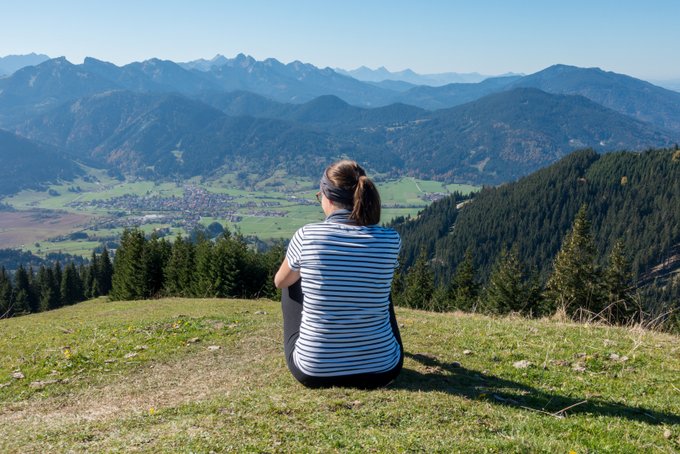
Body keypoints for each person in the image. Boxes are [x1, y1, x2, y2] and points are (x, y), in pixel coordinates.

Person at [274, 160, 403, 388]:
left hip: (315, 370)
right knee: (380, 284)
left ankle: (324, 349)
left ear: (328, 197)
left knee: (291, 281)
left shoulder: (307, 236)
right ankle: (370, 349)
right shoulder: (390, 240)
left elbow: (279, 281)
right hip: (383, 368)